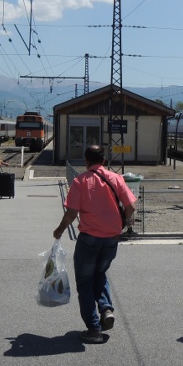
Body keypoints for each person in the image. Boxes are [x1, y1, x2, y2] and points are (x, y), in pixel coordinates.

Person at [53, 145, 136, 344]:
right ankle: (106, 309)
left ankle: (94, 329)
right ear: (104, 161)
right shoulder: (116, 178)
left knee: (85, 282)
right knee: (100, 273)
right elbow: (131, 206)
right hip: (111, 238)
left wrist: (59, 230)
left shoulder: (80, 181)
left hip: (89, 239)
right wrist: (122, 223)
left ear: (86, 160)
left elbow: (72, 213)